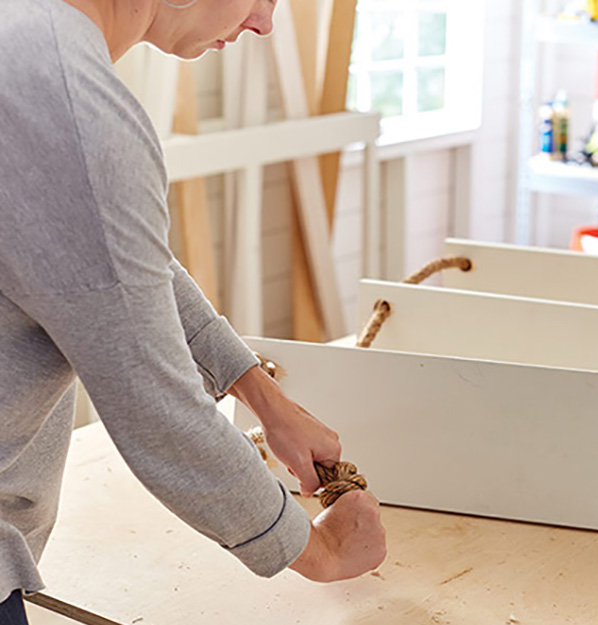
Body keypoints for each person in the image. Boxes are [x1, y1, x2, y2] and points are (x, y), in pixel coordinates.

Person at [0, 0, 387, 620]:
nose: (264, 23)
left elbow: (120, 266)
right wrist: (319, 551)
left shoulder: (24, 41)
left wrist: (262, 396)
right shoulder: (68, 102)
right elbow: (158, 407)